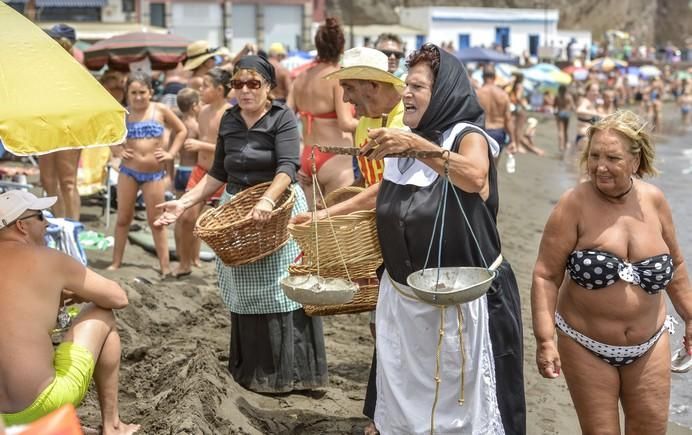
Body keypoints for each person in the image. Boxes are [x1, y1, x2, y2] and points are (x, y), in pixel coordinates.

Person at [299, 43, 525, 434]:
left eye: (417, 87)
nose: (406, 93)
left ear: (445, 91)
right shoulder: (407, 136)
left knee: (460, 406)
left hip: (460, 302)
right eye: (407, 85)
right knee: (405, 403)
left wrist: (418, 146)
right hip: (405, 297)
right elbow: (384, 190)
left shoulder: (465, 136)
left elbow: (474, 177)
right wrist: (325, 214)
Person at [155, 55, 327, 393]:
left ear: (268, 88)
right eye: (238, 84)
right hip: (239, 213)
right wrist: (184, 202)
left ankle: (290, 375)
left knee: (281, 290)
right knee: (243, 287)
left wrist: (266, 200)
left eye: (253, 84)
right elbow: (219, 172)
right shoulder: (230, 119)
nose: (245, 91)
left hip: (277, 209)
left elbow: (288, 167)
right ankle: (254, 371)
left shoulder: (282, 119)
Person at [531, 110, 692, 434]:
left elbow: (675, 265)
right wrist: (545, 338)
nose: (600, 166)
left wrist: (690, 317)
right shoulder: (572, 204)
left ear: (636, 160)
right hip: (585, 344)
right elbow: (546, 275)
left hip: (650, 343)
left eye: (612, 157)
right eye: (594, 156)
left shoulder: (655, 201)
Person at [0, 191, 139, 434]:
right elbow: (118, 297)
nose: (48, 223)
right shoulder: (50, 259)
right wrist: (77, 294)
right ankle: (113, 425)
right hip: (42, 402)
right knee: (103, 312)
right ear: (21, 226)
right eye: (41, 217)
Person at [108, 73, 187, 275]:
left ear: (151, 92)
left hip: (154, 175)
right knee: (123, 218)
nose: (138, 97)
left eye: (142, 92)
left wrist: (171, 153)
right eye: (133, 92)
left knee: (156, 221)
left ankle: (165, 266)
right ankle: (116, 263)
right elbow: (107, 133)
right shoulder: (123, 113)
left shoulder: (160, 110)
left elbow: (181, 130)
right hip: (129, 172)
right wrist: (116, 150)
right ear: (127, 93)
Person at [287, 17, 358, 207]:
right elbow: (345, 122)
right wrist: (371, 123)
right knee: (336, 227)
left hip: (307, 155)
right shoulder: (336, 77)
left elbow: (286, 117)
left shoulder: (300, 78)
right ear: (341, 47)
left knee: (311, 227)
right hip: (335, 156)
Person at [173, 68, 230, 278]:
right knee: (187, 218)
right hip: (200, 170)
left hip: (221, 174)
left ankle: (223, 270)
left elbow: (229, 149)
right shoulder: (203, 111)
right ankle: (185, 263)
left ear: (219, 89)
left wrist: (200, 145)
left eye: (205, 86)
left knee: (217, 227)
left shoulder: (229, 114)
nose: (201, 89)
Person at [38, 24, 84, 220]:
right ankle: (56, 224)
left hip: (69, 126)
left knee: (67, 182)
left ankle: (72, 228)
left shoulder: (77, 70)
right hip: (45, 125)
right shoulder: (41, 69)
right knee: (47, 180)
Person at [476, 65, 515, 158]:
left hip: (481, 132)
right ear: (495, 77)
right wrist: (513, 140)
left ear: (483, 76)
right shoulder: (503, 95)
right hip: (498, 133)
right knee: (494, 166)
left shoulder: (477, 94)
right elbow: (508, 120)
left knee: (480, 166)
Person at [575, 82, 601, 152]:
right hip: (584, 138)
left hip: (586, 137)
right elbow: (579, 110)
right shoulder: (585, 101)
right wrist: (596, 114)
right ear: (587, 91)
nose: (596, 93)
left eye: (597, 90)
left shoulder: (591, 103)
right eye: (593, 90)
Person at [554, 84, 575, 156]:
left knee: (560, 130)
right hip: (567, 113)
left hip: (560, 113)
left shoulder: (557, 96)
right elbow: (573, 107)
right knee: (566, 130)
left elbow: (554, 106)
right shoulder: (569, 97)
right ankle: (566, 144)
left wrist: (556, 113)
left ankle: (561, 146)